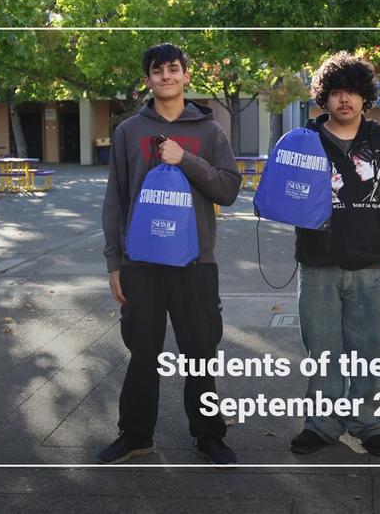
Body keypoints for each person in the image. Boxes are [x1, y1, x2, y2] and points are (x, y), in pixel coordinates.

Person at [99, 43, 241, 465]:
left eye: (173, 69)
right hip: (140, 262)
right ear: (148, 79)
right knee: (143, 352)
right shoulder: (129, 131)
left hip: (196, 263)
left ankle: (208, 434)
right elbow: (115, 200)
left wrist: (186, 160)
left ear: (185, 76)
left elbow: (228, 190)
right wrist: (113, 263)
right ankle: (135, 434)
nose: (166, 76)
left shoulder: (209, 131)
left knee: (200, 352)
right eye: (158, 70)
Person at [291, 52, 380, 456]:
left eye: (353, 92)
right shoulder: (304, 141)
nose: (345, 99)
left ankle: (369, 423)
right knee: (321, 352)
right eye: (336, 92)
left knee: (370, 351)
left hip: (374, 267)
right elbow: (286, 196)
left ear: (364, 97)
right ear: (324, 97)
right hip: (317, 266)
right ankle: (321, 424)